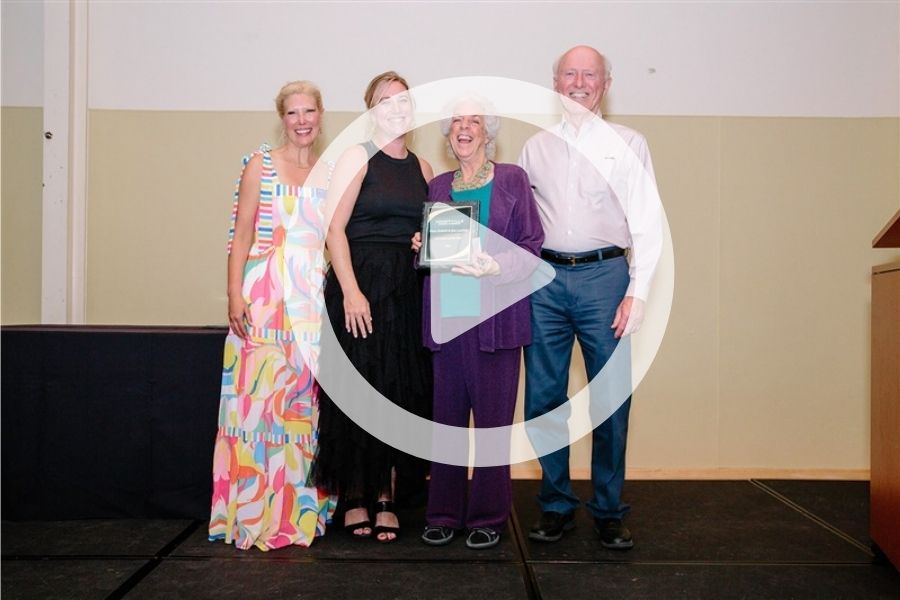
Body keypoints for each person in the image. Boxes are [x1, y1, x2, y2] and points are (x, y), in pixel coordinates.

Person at [519, 46, 663, 549]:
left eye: (590, 74)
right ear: (555, 81)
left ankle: (607, 509)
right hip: (544, 284)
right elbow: (519, 225)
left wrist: (637, 293)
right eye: (570, 74)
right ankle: (555, 505)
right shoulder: (534, 147)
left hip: (606, 281)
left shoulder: (630, 143)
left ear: (606, 82)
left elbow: (647, 225)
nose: (579, 82)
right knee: (542, 400)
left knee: (610, 402)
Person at [208, 80, 336, 550]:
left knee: (301, 408)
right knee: (258, 406)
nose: (301, 120)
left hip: (310, 302)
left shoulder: (331, 171)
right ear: (282, 119)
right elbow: (239, 236)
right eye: (292, 113)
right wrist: (233, 295)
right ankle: (252, 513)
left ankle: (298, 513)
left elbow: (334, 239)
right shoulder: (259, 165)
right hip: (262, 300)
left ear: (321, 115)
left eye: (309, 111)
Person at [414, 98, 544, 550]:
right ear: (449, 136)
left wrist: (496, 266)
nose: (464, 128)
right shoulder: (438, 185)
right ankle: (443, 513)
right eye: (456, 122)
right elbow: (433, 250)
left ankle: (489, 514)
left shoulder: (512, 179)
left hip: (497, 322)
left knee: (491, 425)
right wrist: (421, 244)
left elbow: (532, 244)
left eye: (473, 122)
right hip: (448, 319)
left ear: (488, 134)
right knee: (446, 423)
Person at [313, 71, 433, 543]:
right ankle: (356, 496)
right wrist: (351, 291)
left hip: (406, 292)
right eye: (385, 100)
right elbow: (333, 228)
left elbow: (428, 228)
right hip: (360, 287)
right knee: (359, 393)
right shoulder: (356, 156)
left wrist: (425, 240)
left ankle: (386, 495)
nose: (395, 107)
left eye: (403, 100)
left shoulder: (423, 167)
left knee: (397, 393)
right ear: (371, 109)